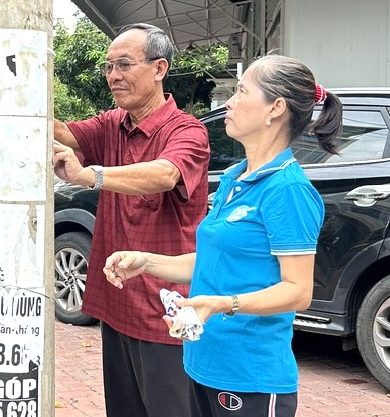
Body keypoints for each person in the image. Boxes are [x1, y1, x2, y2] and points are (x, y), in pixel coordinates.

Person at [103, 54, 343, 417]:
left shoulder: (287, 189)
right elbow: (213, 261)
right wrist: (146, 261)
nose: (229, 101)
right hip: (204, 364)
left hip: (251, 378)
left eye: (242, 91)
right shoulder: (235, 177)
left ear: (274, 108)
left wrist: (221, 304)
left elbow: (299, 291)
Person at [52, 22, 210, 417]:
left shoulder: (187, 130)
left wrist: (90, 175)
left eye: (123, 65)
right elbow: (60, 132)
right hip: (118, 301)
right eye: (108, 67)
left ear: (159, 68)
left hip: (166, 310)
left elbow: (164, 174)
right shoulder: (112, 124)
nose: (113, 76)